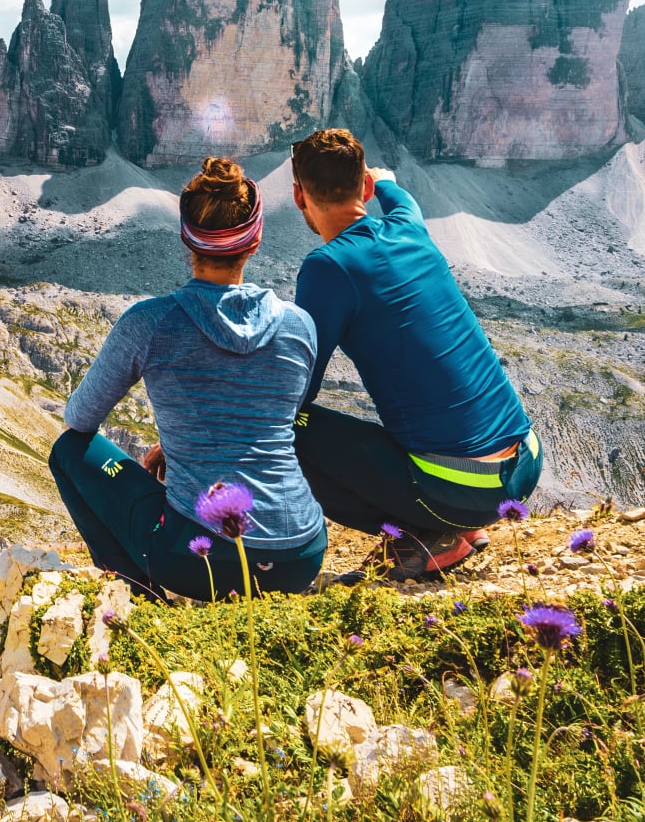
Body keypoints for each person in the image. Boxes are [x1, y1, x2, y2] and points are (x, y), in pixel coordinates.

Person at [48, 156, 328, 600]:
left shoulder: (151, 322)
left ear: (186, 239)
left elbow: (79, 419)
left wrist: (180, 446)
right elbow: (274, 417)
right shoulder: (300, 325)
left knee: (67, 451)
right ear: (254, 242)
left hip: (200, 562)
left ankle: (138, 596)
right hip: (302, 554)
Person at [289, 128, 541, 578]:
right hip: (524, 464)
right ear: (364, 187)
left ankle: (425, 535)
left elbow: (298, 388)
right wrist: (384, 181)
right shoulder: (408, 224)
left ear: (297, 195)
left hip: (465, 488)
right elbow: (400, 196)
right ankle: (460, 529)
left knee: (287, 424)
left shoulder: (327, 267)